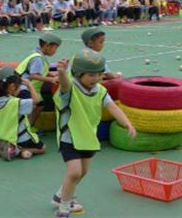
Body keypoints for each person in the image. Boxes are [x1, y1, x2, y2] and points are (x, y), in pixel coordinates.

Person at [52, 51, 136, 218]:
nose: (96, 78)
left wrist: (127, 122)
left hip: (89, 137)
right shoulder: (71, 88)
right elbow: (64, 85)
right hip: (70, 136)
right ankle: (64, 208)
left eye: (99, 74)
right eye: (91, 75)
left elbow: (112, 107)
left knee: (82, 172)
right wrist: (62, 72)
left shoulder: (101, 91)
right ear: (78, 74)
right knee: (74, 172)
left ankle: (61, 195)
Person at [0, 66, 46, 161]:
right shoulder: (16, 103)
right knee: (42, 148)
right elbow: (37, 100)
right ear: (12, 86)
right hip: (21, 138)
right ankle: (18, 150)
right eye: (19, 87)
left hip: (6, 137)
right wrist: (30, 85)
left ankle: (10, 147)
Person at [16, 33, 62, 126]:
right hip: (24, 87)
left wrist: (51, 74)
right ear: (47, 46)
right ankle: (24, 129)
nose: (55, 51)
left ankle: (28, 127)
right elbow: (34, 75)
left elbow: (40, 71)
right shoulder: (37, 58)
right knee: (32, 107)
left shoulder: (39, 56)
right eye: (55, 48)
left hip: (30, 87)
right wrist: (51, 79)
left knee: (39, 105)